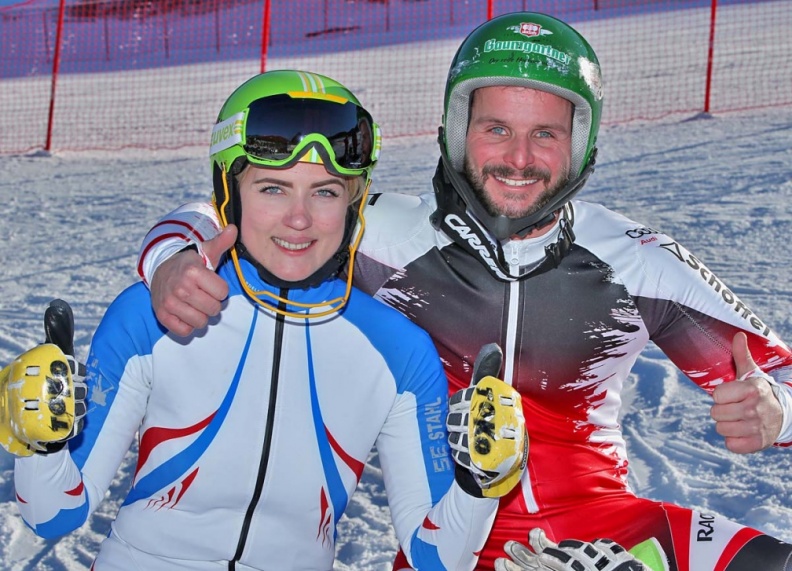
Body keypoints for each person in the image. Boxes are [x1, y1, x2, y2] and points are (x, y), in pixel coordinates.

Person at [133, 12, 792, 571]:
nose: (519, 158)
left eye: (546, 134)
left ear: (581, 145)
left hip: (613, 529)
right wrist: (170, 262)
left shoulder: (634, 262)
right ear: (454, 129)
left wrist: (776, 412)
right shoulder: (381, 236)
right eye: (496, 128)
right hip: (449, 541)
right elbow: (224, 216)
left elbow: (778, 381)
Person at [2, 69, 540, 571]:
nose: (300, 218)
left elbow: (435, 556)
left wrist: (478, 484)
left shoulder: (398, 349)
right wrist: (39, 443)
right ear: (228, 195)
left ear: (354, 202)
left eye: (325, 191)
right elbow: (55, 513)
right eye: (272, 188)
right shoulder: (159, 310)